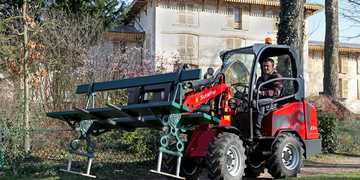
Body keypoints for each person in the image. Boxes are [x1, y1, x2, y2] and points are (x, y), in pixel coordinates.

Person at [254, 58, 283, 137]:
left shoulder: (277, 77)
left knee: (258, 104)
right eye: (264, 66)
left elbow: (276, 93)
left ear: (272, 67)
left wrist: (262, 92)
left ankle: (257, 129)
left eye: (267, 66)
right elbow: (256, 90)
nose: (265, 68)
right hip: (262, 99)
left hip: (273, 101)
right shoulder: (260, 79)